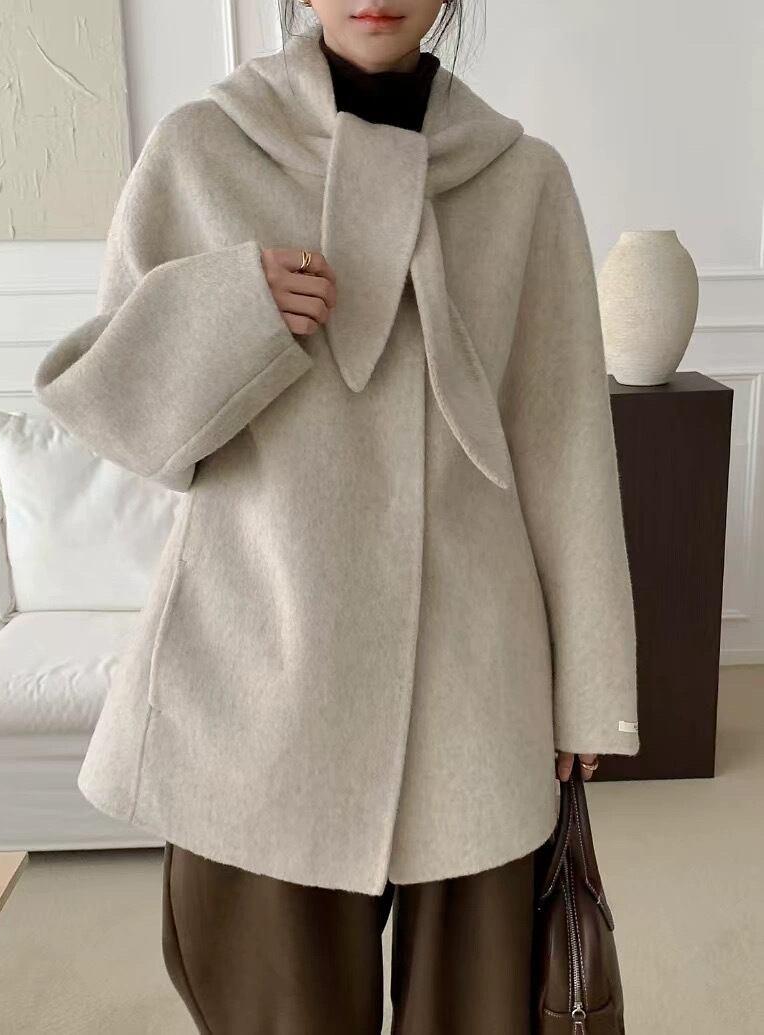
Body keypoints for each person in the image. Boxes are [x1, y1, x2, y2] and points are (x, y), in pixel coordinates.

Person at [32, 1, 640, 1031]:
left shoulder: (525, 182)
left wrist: (590, 686)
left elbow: (565, 442)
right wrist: (236, 309)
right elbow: (121, 419)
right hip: (258, 686)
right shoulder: (202, 150)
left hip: (475, 694)